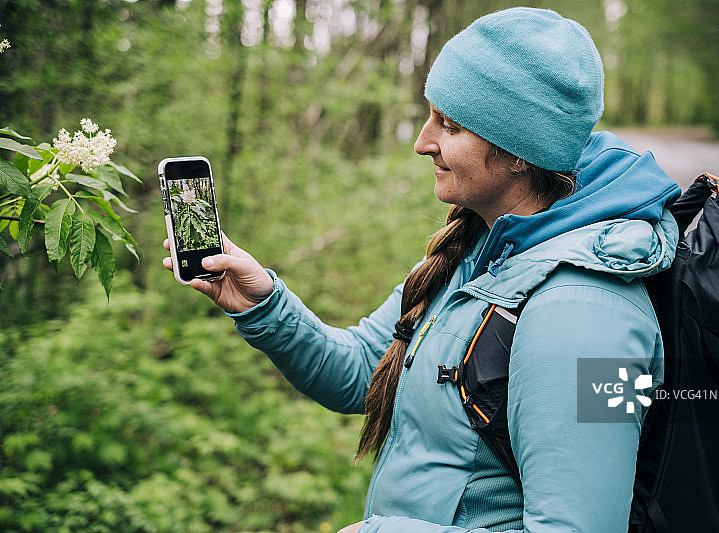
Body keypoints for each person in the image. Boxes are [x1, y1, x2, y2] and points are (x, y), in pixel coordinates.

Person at [163, 7, 681, 533]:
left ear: (521, 153)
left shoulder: (589, 314)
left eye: (449, 125)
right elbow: (362, 371)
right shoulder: (478, 251)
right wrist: (263, 305)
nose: (422, 142)